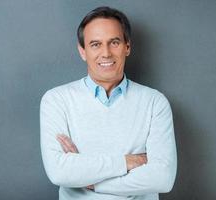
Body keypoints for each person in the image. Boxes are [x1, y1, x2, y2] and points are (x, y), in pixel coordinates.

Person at [40, 6, 177, 200]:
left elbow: (163, 178)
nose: (106, 53)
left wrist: (91, 181)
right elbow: (59, 172)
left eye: (114, 42)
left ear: (127, 46)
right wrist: (126, 162)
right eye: (95, 44)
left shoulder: (155, 102)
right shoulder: (56, 100)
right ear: (82, 51)